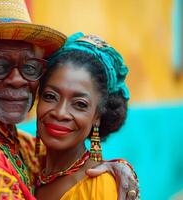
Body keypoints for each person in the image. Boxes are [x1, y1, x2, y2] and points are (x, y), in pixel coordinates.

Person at [0, 0, 139, 199]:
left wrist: (114, 169)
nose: (17, 80)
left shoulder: (18, 144)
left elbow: (68, 164)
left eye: (29, 67)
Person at [35, 32, 138, 200]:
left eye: (80, 104)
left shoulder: (97, 187)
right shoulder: (26, 165)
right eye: (50, 96)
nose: (60, 113)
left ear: (97, 115)